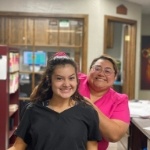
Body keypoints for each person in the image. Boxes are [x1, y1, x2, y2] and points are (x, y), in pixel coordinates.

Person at [8, 52, 101, 150]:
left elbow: (92, 147)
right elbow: (18, 147)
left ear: (77, 81)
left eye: (71, 78)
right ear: (49, 80)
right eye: (59, 78)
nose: (66, 84)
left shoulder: (89, 113)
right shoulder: (32, 111)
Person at [78, 54, 130, 150]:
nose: (101, 74)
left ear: (115, 77)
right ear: (89, 71)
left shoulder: (120, 100)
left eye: (107, 71)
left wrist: (90, 106)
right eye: (97, 69)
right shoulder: (74, 81)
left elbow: (115, 135)